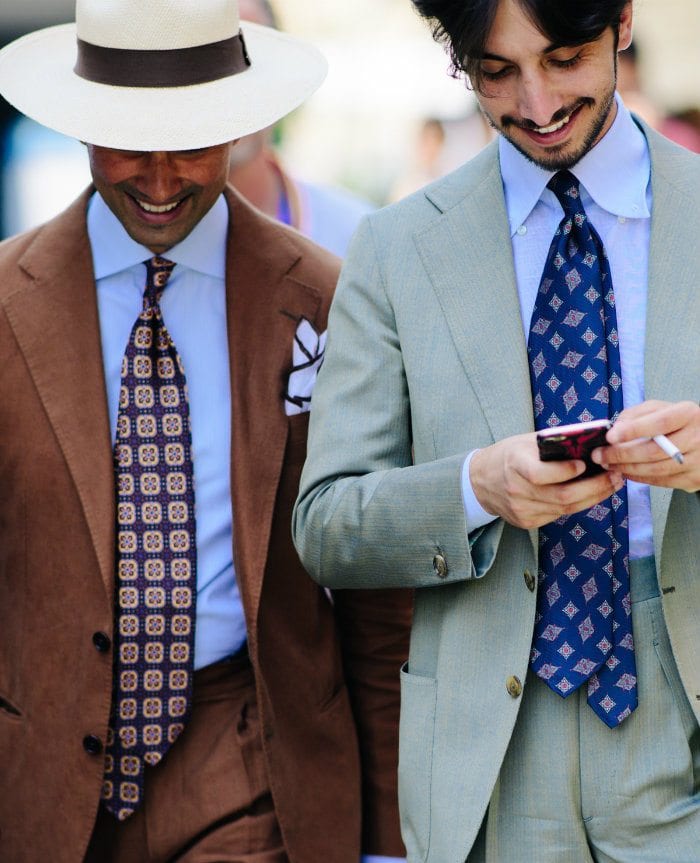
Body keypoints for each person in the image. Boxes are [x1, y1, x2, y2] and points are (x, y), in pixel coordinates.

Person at [0, 2, 411, 862]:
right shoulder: (5, 303)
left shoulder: (326, 299)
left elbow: (377, 596)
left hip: (252, 760)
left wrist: (387, 837)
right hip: (40, 778)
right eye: (127, 142)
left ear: (243, 127)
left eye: (189, 142)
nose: (159, 179)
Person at [294, 1, 700, 861]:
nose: (538, 103)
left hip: (682, 719)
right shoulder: (396, 248)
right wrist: (474, 487)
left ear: (622, 22)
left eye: (562, 60)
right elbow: (325, 525)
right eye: (497, 72)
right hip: (489, 753)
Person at [229, 0, 375, 257]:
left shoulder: (356, 236)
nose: (234, 82)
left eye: (253, 57)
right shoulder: (144, 246)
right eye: (206, 64)